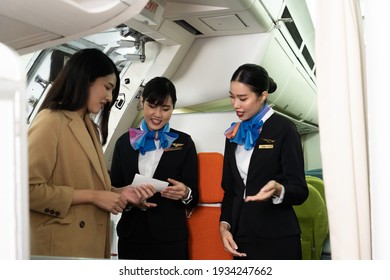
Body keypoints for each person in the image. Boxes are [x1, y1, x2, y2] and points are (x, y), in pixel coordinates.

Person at [28, 48, 155, 259]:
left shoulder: (89, 127)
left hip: (86, 244)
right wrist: (94, 196)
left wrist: (119, 192)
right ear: (85, 79)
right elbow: (26, 190)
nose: (109, 97)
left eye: (112, 90)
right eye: (107, 87)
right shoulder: (50, 120)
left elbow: (88, 184)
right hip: (60, 247)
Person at [219, 63, 308, 260]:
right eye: (232, 97)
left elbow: (300, 190)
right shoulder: (233, 134)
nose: (236, 105)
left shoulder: (284, 129)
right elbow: (231, 190)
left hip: (278, 239)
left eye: (243, 98)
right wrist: (225, 226)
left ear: (262, 96)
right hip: (241, 238)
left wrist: (279, 189)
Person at [110, 76, 199, 260]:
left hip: (170, 237)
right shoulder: (123, 143)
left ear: (173, 108)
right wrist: (128, 200)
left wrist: (185, 193)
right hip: (131, 235)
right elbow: (114, 189)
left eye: (165, 109)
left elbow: (193, 196)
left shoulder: (184, 143)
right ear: (142, 101)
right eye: (152, 106)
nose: (158, 114)